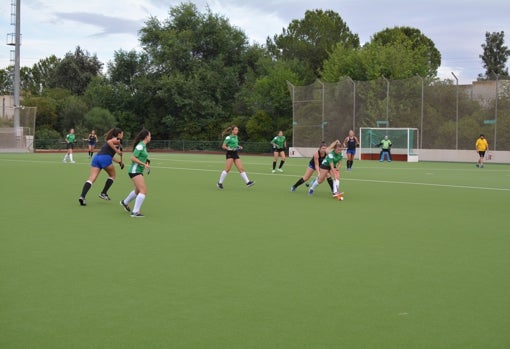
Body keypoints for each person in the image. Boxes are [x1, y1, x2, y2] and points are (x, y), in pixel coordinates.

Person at [78, 128, 124, 206]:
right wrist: (117, 151)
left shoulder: (116, 141)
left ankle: (82, 196)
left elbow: (110, 155)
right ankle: (103, 193)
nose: (123, 135)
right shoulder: (116, 139)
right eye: (122, 133)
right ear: (119, 134)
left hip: (97, 158)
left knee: (91, 179)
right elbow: (109, 142)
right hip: (104, 159)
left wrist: (119, 161)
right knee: (112, 175)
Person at [120, 129, 151, 217]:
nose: (150, 137)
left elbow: (142, 157)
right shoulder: (140, 146)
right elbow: (133, 158)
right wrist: (144, 164)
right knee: (143, 191)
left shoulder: (143, 146)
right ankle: (135, 212)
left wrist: (146, 164)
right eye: (150, 136)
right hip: (135, 171)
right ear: (146, 137)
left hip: (138, 171)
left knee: (138, 191)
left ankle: (125, 202)